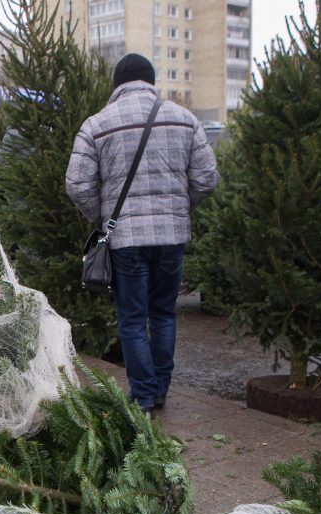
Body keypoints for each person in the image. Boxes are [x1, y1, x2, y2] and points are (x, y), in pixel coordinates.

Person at [66, 53, 220, 414]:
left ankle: (144, 396)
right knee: (163, 313)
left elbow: (77, 184)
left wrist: (104, 218)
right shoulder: (185, 119)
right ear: (151, 81)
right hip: (172, 237)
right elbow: (206, 178)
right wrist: (178, 210)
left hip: (126, 240)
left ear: (117, 85)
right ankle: (161, 389)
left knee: (132, 318)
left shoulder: (97, 124)